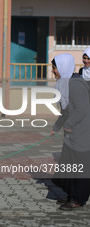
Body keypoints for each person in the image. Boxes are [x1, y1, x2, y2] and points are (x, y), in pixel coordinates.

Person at [50, 53, 90, 211]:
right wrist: (56, 127)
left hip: (82, 132)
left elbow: (82, 109)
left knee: (81, 166)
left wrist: (69, 124)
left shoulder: (75, 84)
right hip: (71, 133)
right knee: (68, 164)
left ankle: (79, 199)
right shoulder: (64, 83)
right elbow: (66, 110)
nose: (53, 71)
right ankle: (71, 193)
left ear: (62, 67)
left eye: (54, 68)